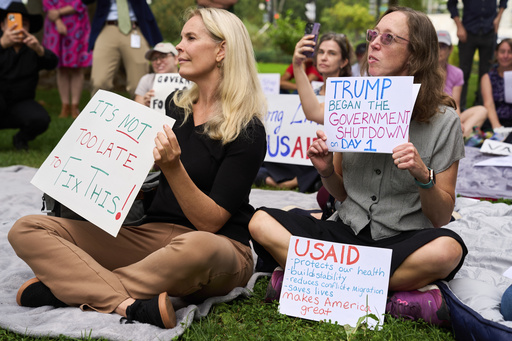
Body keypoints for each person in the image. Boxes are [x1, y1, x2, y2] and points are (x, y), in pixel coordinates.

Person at [9, 7, 266, 329]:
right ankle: (128, 303)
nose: (178, 47)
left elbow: (210, 222)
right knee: (28, 228)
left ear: (222, 50)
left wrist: (173, 167)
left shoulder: (248, 131)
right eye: (181, 37)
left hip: (218, 246)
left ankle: (68, 287)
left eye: (190, 38)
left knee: (197, 247)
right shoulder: (177, 104)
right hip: (151, 236)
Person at [249, 7, 467, 326]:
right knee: (259, 222)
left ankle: (310, 281)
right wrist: (325, 170)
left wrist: (423, 177)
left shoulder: (444, 121)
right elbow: (340, 192)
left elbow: (442, 216)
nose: (374, 44)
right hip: (346, 232)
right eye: (373, 34)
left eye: (388, 38)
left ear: (415, 54)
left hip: (401, 239)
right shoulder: (349, 103)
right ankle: (390, 294)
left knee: (447, 250)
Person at [255, 32, 352, 194]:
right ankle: (282, 179)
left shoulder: (350, 95)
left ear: (344, 62)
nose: (324, 57)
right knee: (260, 157)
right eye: (321, 52)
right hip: (301, 154)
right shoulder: (310, 91)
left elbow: (314, 113)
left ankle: (292, 182)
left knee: (322, 164)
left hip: (324, 158)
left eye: (332, 53)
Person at [0, 2, 58, 151]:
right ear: (3, 26)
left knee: (41, 119)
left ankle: (21, 139)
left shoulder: (33, 49)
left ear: (29, 28)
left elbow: (53, 62)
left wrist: (39, 49)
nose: (18, 28)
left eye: (23, 24)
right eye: (12, 22)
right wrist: (2, 44)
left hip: (21, 103)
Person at [82, 0, 163, 97]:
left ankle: (139, 111)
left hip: (135, 28)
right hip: (107, 27)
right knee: (99, 82)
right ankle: (98, 111)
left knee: (138, 85)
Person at [447, 0, 508, 110]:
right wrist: (459, 25)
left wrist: (499, 16)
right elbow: (451, 3)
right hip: (467, 31)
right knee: (463, 72)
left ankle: (483, 108)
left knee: (486, 73)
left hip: (489, 30)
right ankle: (459, 109)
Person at [42, 0, 92, 118]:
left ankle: (75, 106)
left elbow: (81, 2)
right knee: (61, 67)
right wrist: (58, 20)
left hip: (77, 23)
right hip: (55, 24)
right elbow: (47, 3)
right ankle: (65, 106)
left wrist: (58, 12)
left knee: (77, 67)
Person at [437, 30, 487, 138]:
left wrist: (457, 121)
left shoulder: (457, 73)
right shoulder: (424, 71)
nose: (439, 50)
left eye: (443, 46)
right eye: (435, 46)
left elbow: (456, 104)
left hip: (449, 115)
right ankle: (459, 138)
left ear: (450, 49)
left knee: (481, 111)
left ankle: (459, 137)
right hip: (432, 116)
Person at [134, 42, 178, 107]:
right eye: (154, 59)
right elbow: (136, 110)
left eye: (163, 57)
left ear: (176, 59)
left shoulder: (189, 79)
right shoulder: (146, 79)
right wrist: (145, 104)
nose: (158, 62)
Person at [481, 38, 512, 129]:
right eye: (502, 52)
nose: (505, 56)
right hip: (494, 121)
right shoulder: (488, 77)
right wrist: (497, 127)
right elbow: (489, 104)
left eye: (510, 52)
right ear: (496, 54)